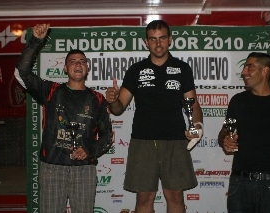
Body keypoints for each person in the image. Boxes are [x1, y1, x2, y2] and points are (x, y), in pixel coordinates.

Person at [106, 20, 203, 213]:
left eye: (162, 38)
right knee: (144, 198)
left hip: (176, 140)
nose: (158, 44)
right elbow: (118, 109)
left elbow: (193, 105)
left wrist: (197, 125)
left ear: (170, 40)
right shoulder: (136, 70)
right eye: (153, 39)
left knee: (175, 196)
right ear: (146, 42)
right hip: (143, 141)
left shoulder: (183, 69)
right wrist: (112, 99)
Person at [14, 24, 113, 213]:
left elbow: (107, 134)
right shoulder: (51, 91)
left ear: (87, 68)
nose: (78, 64)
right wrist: (35, 41)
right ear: (65, 68)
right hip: (52, 168)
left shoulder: (97, 99)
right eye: (73, 61)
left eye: (82, 61)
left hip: (84, 169)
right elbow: (21, 74)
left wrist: (90, 150)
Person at [218, 52, 270, 212]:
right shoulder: (237, 101)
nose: (243, 72)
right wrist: (225, 139)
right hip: (239, 183)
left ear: (265, 71)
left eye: (250, 67)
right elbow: (225, 131)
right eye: (244, 67)